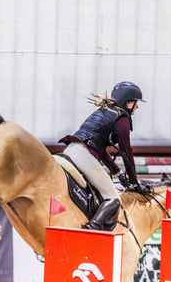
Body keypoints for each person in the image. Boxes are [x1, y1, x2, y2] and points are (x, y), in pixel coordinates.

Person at [59, 81, 147, 230]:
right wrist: (134, 182)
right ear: (128, 102)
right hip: (84, 156)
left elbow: (100, 149)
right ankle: (91, 228)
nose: (137, 107)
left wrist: (117, 173)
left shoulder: (103, 111)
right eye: (136, 103)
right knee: (113, 198)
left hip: (69, 151)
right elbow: (126, 151)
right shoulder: (122, 118)